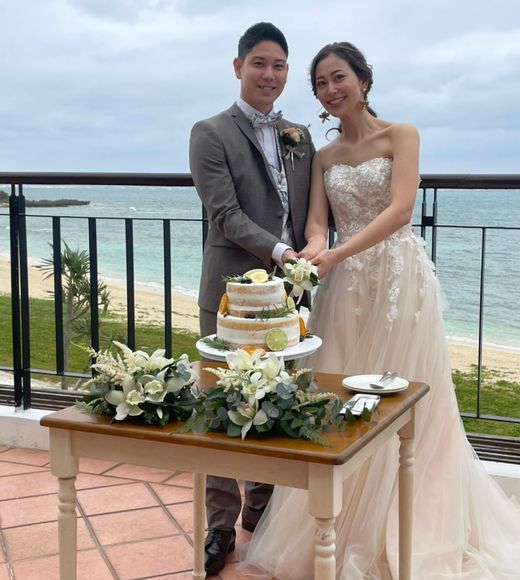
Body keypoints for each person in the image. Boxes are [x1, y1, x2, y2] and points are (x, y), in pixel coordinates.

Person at [239, 42, 520, 579]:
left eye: (338, 77)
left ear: (363, 80)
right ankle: (340, 520)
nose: (330, 90)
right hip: (346, 287)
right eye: (321, 83)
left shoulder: (402, 135)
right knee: (341, 396)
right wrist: (313, 251)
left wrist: (336, 254)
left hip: (399, 280)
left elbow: (400, 211)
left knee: (406, 399)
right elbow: (317, 223)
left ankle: (412, 523)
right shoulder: (324, 156)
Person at [189, 22, 315, 575]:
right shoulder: (210, 132)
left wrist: (310, 255)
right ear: (238, 66)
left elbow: (311, 209)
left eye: (279, 65)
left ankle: (261, 506)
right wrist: (283, 252)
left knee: (277, 396)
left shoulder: (300, 135)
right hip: (229, 292)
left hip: (287, 294)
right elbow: (225, 213)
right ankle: (220, 525)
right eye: (259, 63)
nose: (269, 74)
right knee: (220, 405)